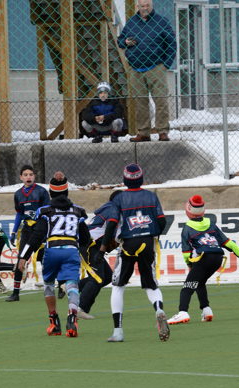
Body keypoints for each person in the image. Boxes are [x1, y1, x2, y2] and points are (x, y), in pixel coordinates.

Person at [98, 163, 170, 343]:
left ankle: (118, 331)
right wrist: (153, 233)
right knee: (151, 284)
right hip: (147, 242)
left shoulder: (119, 198)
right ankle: (159, 309)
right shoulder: (151, 196)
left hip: (128, 243)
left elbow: (112, 223)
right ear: (141, 179)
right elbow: (162, 221)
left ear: (124, 180)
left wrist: (103, 247)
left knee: (118, 286)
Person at [17, 172, 90, 337]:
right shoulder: (78, 211)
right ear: (67, 192)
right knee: (72, 285)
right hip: (71, 250)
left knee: (49, 284)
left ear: (50, 193)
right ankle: (72, 318)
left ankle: (54, 322)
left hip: (52, 250)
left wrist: (23, 256)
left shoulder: (45, 211)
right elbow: (85, 238)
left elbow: (36, 236)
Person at [167, 195, 239, 325]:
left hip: (204, 258)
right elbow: (228, 243)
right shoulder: (211, 224)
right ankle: (206, 310)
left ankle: (183, 312)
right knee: (200, 282)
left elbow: (186, 251)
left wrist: (190, 264)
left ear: (188, 210)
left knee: (188, 286)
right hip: (217, 258)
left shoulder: (187, 228)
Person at [117, 0, 176, 142]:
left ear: (152, 6)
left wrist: (165, 65)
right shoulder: (132, 22)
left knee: (160, 100)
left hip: (156, 67)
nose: (145, 8)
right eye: (142, 6)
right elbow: (120, 41)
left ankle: (162, 131)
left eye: (147, 6)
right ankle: (143, 132)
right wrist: (125, 42)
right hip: (136, 69)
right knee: (140, 102)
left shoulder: (161, 22)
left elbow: (172, 43)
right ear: (138, 7)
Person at [6, 165, 50, 302]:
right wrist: (14, 231)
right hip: (27, 230)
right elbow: (19, 214)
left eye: (31, 174)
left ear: (34, 176)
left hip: (40, 229)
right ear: (21, 177)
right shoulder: (18, 194)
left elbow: (48, 212)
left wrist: (46, 230)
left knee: (45, 259)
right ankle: (15, 293)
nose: (28, 177)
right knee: (21, 258)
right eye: (25, 175)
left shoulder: (41, 191)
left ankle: (57, 287)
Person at [77, 191, 124, 319]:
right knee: (97, 278)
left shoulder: (111, 208)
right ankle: (80, 308)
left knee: (107, 277)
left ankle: (71, 287)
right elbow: (110, 229)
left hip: (92, 245)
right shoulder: (113, 209)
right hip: (90, 245)